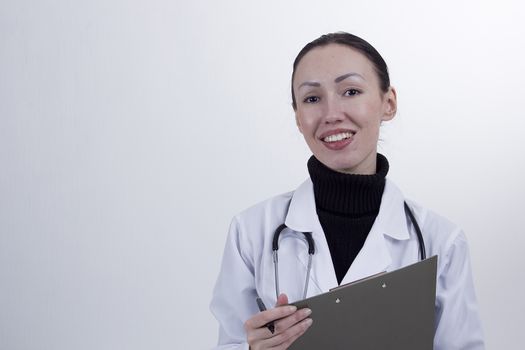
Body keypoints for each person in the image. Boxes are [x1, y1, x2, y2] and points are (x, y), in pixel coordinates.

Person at [210, 32, 485, 350]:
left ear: (388, 103)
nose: (330, 114)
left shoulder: (441, 241)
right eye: (312, 99)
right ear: (298, 117)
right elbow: (230, 341)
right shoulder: (251, 231)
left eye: (351, 91)